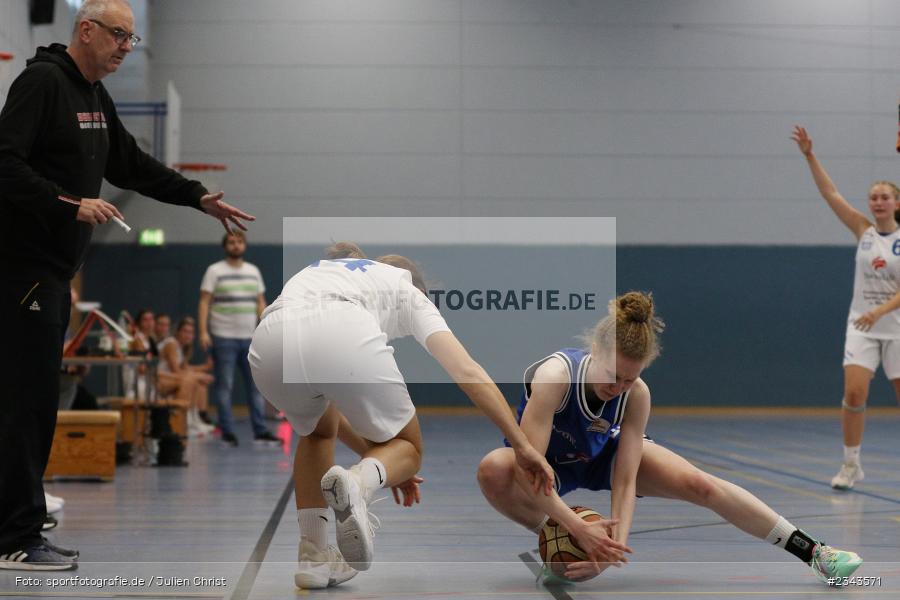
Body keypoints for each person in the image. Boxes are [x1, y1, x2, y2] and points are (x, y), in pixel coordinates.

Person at [0, 0, 255, 570]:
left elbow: (131, 164)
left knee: (37, 405)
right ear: (85, 30)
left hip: (55, 273)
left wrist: (195, 196)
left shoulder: (94, 96)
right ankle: (15, 537)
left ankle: (19, 521)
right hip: (22, 271)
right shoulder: (42, 82)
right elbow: (4, 163)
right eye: (118, 34)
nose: (124, 46)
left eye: (131, 40)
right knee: (27, 405)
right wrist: (69, 203)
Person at [248, 242, 611, 589]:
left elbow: (332, 421)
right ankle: (358, 485)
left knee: (316, 432)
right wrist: (521, 445)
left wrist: (384, 464)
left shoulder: (330, 271)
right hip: (340, 328)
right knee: (410, 446)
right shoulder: (407, 292)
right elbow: (468, 372)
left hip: (268, 341)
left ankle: (312, 557)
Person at [477, 292, 863, 585]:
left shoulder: (636, 394)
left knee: (701, 484)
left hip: (598, 456)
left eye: (630, 378)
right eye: (612, 375)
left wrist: (613, 548)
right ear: (594, 351)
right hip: (545, 465)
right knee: (494, 469)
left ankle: (815, 553)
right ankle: (553, 539)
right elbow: (532, 471)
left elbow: (625, 480)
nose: (619, 386)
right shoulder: (556, 377)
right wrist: (576, 530)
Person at [791, 126, 900, 490]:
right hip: (862, 325)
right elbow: (831, 193)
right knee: (854, 393)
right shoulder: (863, 230)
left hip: (894, 324)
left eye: (884, 197)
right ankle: (851, 464)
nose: (878, 202)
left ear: (896, 203)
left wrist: (881, 311)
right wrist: (810, 155)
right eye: (873, 197)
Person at [198, 231, 280, 447]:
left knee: (256, 387)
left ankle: (260, 430)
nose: (236, 245)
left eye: (239, 241)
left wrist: (265, 326)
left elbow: (260, 301)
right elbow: (204, 302)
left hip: (250, 338)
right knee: (225, 386)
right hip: (223, 336)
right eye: (232, 242)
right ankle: (227, 431)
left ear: (244, 245)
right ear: (225, 246)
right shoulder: (214, 271)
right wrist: (203, 332)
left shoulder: (253, 271)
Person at [158, 317, 216, 436]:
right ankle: (183, 423)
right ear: (178, 332)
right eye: (185, 331)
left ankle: (195, 419)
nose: (188, 335)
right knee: (189, 381)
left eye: (191, 332)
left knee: (199, 383)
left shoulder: (180, 347)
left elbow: (186, 369)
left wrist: (204, 369)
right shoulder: (171, 344)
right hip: (158, 381)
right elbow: (176, 371)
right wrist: (199, 375)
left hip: (170, 379)